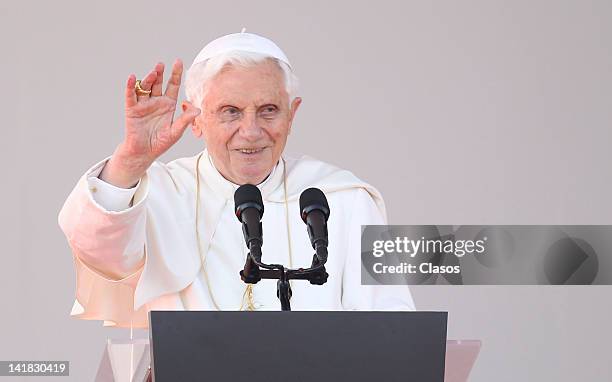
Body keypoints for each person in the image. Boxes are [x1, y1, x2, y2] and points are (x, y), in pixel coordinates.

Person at [58, 31, 415, 328]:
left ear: (292, 115)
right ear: (195, 120)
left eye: (268, 111)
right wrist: (130, 162)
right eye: (230, 112)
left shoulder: (345, 197)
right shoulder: (161, 193)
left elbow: (395, 328)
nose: (251, 131)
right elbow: (96, 249)